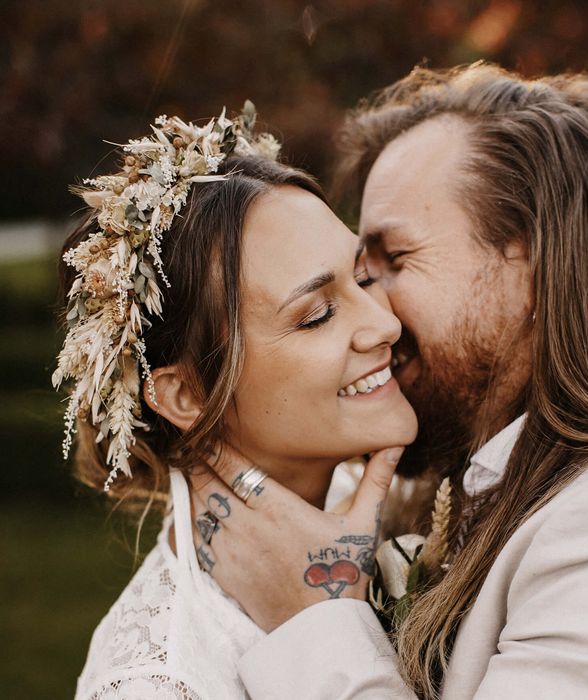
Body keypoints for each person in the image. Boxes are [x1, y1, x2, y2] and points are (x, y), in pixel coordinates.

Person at [187, 65, 588, 698]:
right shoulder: (456, 479)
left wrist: (314, 618)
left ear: (535, 261)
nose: (374, 315)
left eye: (392, 262)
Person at [54, 106, 417, 699]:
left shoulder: (412, 504)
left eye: (364, 276)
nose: (384, 325)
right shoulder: (160, 683)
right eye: (316, 315)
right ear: (185, 393)